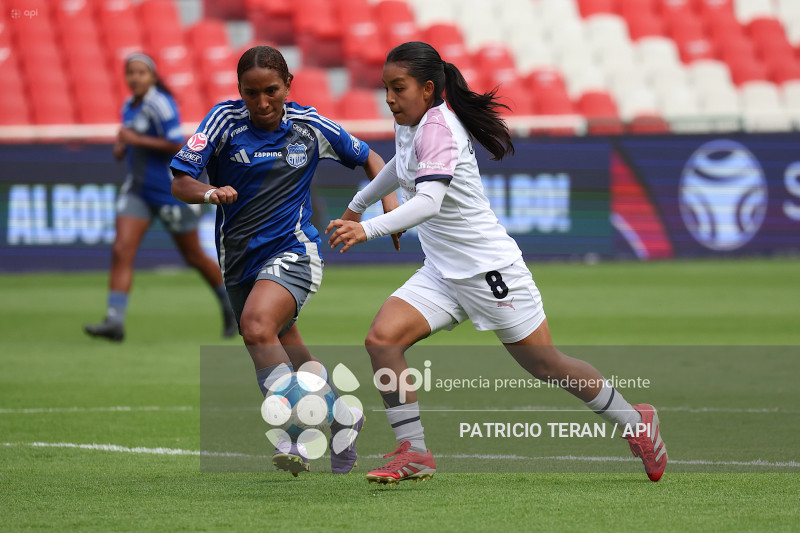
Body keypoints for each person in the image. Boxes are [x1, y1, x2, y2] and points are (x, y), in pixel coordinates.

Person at [327, 41, 668, 484]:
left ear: (428, 89)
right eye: (386, 88)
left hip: (490, 272)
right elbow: (399, 166)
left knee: (547, 365)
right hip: (443, 272)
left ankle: (636, 421)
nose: (389, 98)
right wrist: (358, 204)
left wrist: (368, 227)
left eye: (399, 88)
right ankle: (414, 451)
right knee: (382, 340)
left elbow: (428, 201)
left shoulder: (439, 129)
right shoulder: (412, 122)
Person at [169, 45, 400, 476]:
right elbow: (181, 180)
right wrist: (209, 192)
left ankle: (298, 431)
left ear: (288, 85)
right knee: (284, 346)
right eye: (250, 93)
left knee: (257, 326)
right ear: (239, 90)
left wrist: (390, 206)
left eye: (271, 91)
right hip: (239, 264)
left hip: (294, 252)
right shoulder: (222, 122)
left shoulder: (309, 126)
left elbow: (370, 156)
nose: (261, 103)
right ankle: (345, 416)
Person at [85, 53, 236, 342]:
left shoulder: (160, 103)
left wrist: (134, 140)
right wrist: (122, 148)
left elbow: (176, 143)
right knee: (121, 250)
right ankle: (114, 321)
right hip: (138, 191)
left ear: (153, 77)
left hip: (169, 193)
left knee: (193, 256)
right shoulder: (129, 106)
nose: (135, 78)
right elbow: (131, 141)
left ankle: (229, 306)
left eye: (141, 73)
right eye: (131, 73)